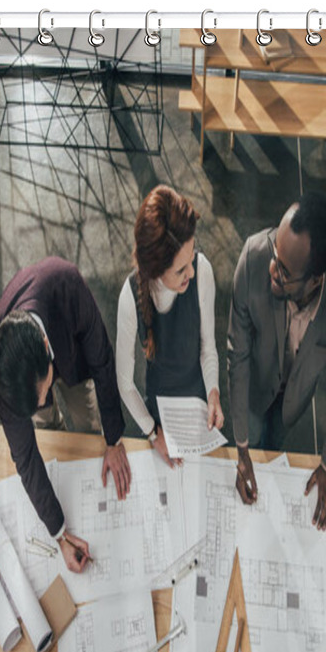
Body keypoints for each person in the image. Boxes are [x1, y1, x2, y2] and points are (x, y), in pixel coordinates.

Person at [227, 192, 326, 530]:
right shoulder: (253, 256)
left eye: (285, 272)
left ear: (316, 279)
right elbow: (238, 354)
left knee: (275, 439)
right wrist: (241, 446)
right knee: (257, 436)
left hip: (295, 399)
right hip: (255, 384)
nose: (272, 269)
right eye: (275, 252)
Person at [0, 257, 131, 573]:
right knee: (48, 426)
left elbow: (103, 361)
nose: (43, 401)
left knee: (86, 418)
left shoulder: (67, 284)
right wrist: (59, 533)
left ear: (46, 346)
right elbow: (25, 458)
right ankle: (50, 418)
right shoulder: (1, 372)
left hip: (75, 356)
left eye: (43, 391)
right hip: (35, 374)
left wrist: (114, 439)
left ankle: (91, 436)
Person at [116, 185, 223, 467]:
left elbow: (208, 348)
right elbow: (125, 384)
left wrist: (213, 392)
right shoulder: (130, 298)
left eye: (191, 259)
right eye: (180, 270)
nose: (191, 272)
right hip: (159, 410)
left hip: (197, 403)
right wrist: (153, 433)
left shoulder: (203, 272)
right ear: (154, 271)